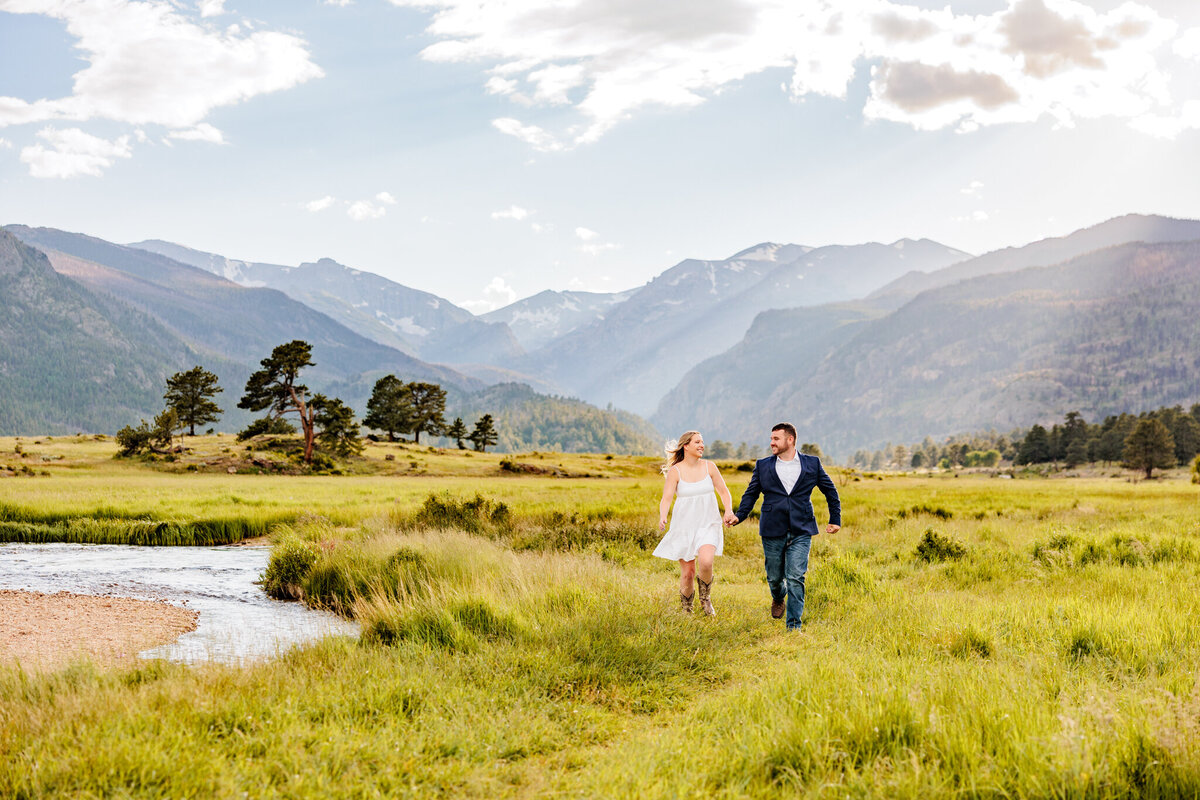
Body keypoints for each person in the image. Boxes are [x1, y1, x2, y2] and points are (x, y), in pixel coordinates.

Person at [731, 423, 841, 630]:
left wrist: (835, 519)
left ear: (790, 440)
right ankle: (778, 597)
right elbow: (751, 493)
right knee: (774, 578)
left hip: (802, 529)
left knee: (796, 578)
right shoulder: (763, 465)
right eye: (771, 438)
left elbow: (830, 491)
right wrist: (739, 516)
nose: (771, 442)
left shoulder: (812, 464)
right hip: (772, 529)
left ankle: (794, 626)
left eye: (776, 439)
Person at [654, 431, 739, 615]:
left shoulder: (710, 467)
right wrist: (663, 516)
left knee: (706, 562)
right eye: (697, 442)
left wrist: (729, 510)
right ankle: (687, 609)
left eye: (702, 442)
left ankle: (705, 599)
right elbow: (666, 498)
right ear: (686, 446)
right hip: (683, 527)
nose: (702, 445)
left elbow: (724, 491)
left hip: (708, 523)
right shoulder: (676, 471)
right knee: (688, 573)